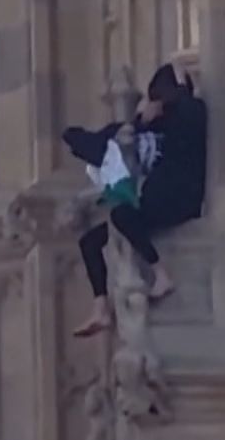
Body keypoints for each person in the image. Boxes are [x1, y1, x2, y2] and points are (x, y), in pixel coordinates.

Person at [72, 61, 208, 338]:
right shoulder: (159, 122)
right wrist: (138, 121)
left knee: (123, 215)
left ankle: (161, 275)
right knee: (91, 241)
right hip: (158, 199)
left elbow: (186, 112)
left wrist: (176, 93)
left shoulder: (191, 112)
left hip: (180, 197)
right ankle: (101, 308)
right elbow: (99, 139)